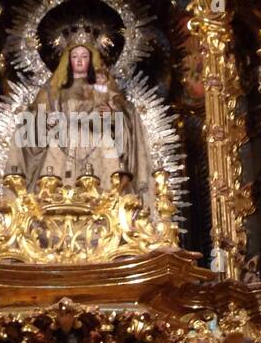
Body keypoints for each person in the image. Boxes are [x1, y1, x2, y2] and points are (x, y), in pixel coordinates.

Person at [9, 27, 155, 209]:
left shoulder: (102, 86)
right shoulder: (54, 90)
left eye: (84, 56)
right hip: (63, 142)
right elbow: (36, 119)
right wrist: (46, 121)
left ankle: (108, 203)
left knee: (106, 150)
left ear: (91, 59)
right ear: (68, 60)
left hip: (97, 140)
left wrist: (112, 115)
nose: (79, 60)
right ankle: (53, 203)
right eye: (75, 56)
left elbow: (124, 113)